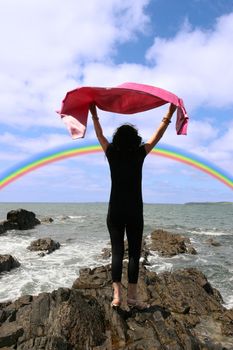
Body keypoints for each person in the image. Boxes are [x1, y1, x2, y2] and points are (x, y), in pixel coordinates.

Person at [90, 103, 177, 309]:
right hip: (135, 211)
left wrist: (94, 115)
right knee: (135, 255)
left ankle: (117, 297)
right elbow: (158, 135)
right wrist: (169, 113)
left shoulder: (111, 152)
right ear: (135, 139)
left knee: (117, 252)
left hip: (115, 211)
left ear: (118, 139)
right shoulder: (140, 154)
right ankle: (133, 298)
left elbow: (100, 135)